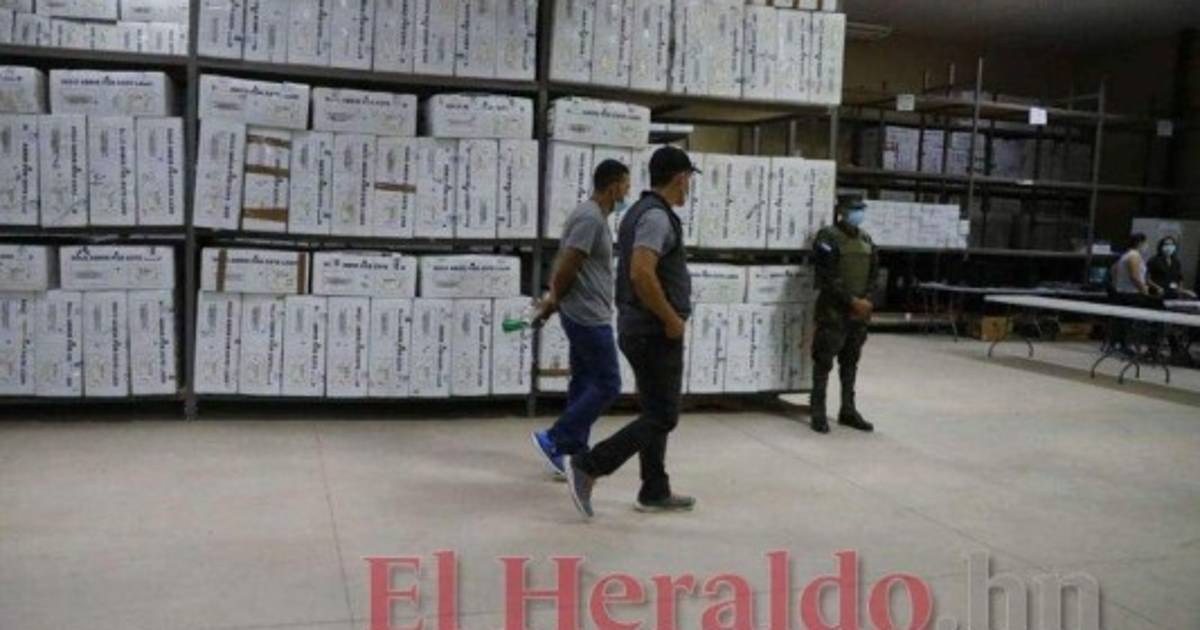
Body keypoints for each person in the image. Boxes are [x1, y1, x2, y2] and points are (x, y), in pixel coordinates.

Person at [564, 146, 700, 518]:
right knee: (664, 416)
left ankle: (655, 489)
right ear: (680, 178)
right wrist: (670, 318)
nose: (689, 186)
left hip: (639, 328)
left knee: (655, 410)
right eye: (689, 179)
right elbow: (642, 272)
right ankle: (589, 465)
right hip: (654, 331)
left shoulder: (639, 212)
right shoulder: (656, 217)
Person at [530, 160, 632, 477]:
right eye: (626, 185)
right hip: (588, 317)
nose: (627, 192)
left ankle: (571, 451)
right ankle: (556, 438)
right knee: (609, 383)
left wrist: (554, 300)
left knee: (585, 381)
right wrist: (553, 301)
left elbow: (566, 260)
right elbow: (569, 263)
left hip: (585, 312)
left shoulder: (591, 216)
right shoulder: (590, 218)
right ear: (613, 187)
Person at [808, 195, 879, 435]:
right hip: (833, 312)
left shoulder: (866, 239)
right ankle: (818, 412)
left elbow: (874, 273)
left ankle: (848, 410)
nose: (858, 213)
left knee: (850, 363)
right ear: (841, 211)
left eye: (861, 208)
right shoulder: (827, 237)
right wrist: (852, 301)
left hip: (858, 315)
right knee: (823, 362)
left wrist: (866, 299)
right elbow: (827, 276)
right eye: (854, 209)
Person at [1111, 233, 1153, 300]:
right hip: (1132, 293)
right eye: (1145, 243)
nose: (1146, 246)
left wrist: (1116, 285)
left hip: (1123, 292)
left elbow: (1113, 270)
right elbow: (1134, 277)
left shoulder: (1125, 255)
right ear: (1140, 243)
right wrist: (1143, 289)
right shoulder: (1134, 256)